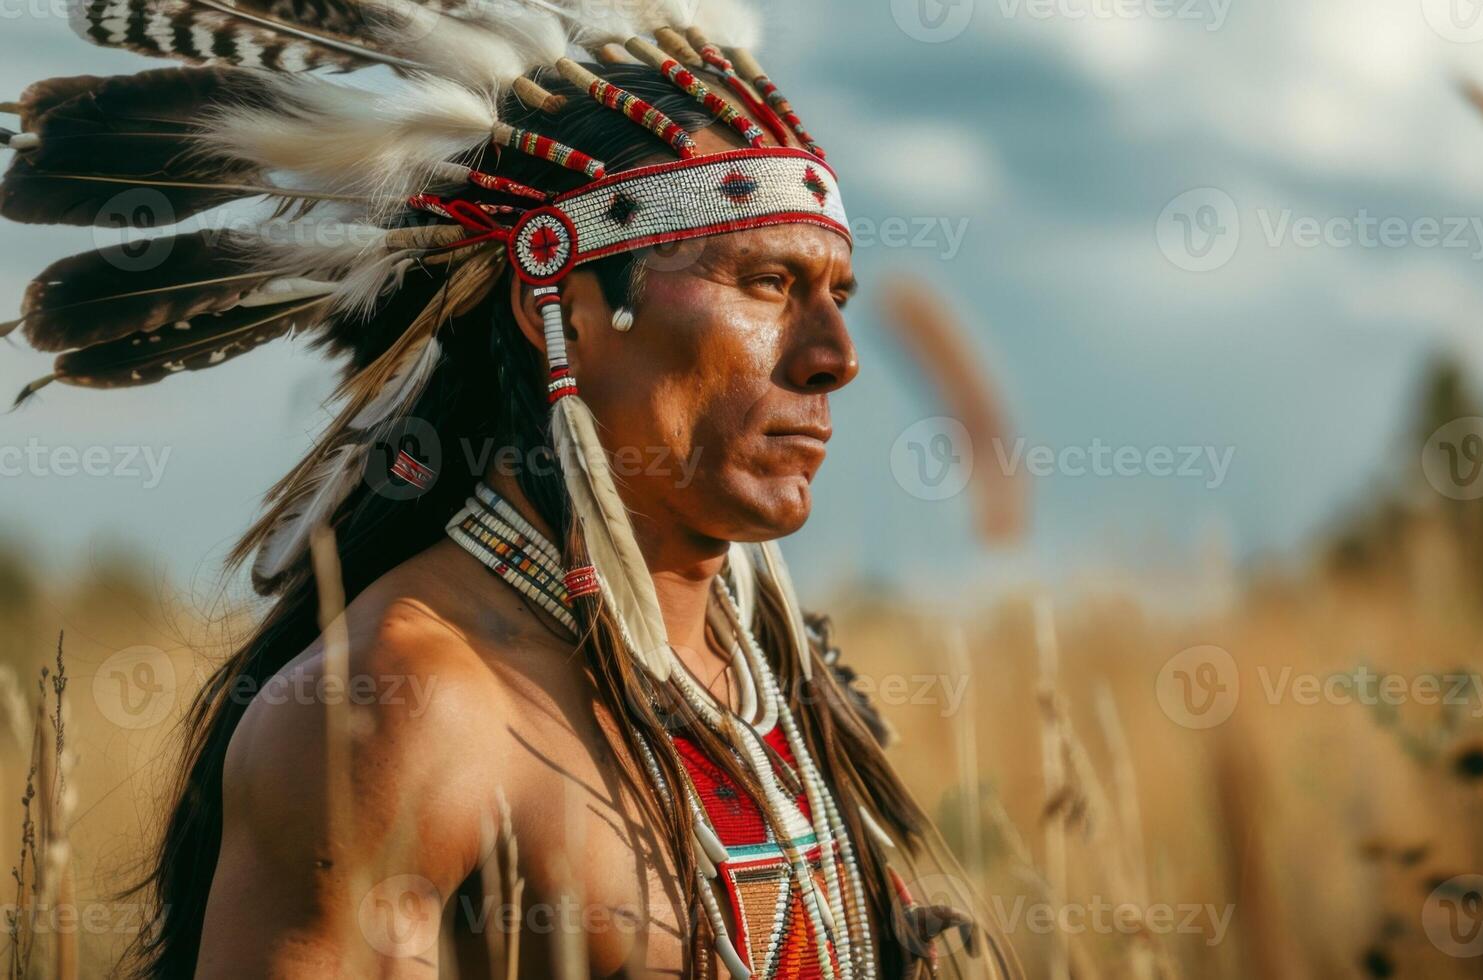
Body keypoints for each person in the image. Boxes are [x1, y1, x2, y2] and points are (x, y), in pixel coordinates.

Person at [1, 1, 1014, 976]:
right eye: (765, 282)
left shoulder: (766, 685)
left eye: (837, 294)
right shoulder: (400, 707)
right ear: (558, 306)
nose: (836, 356)